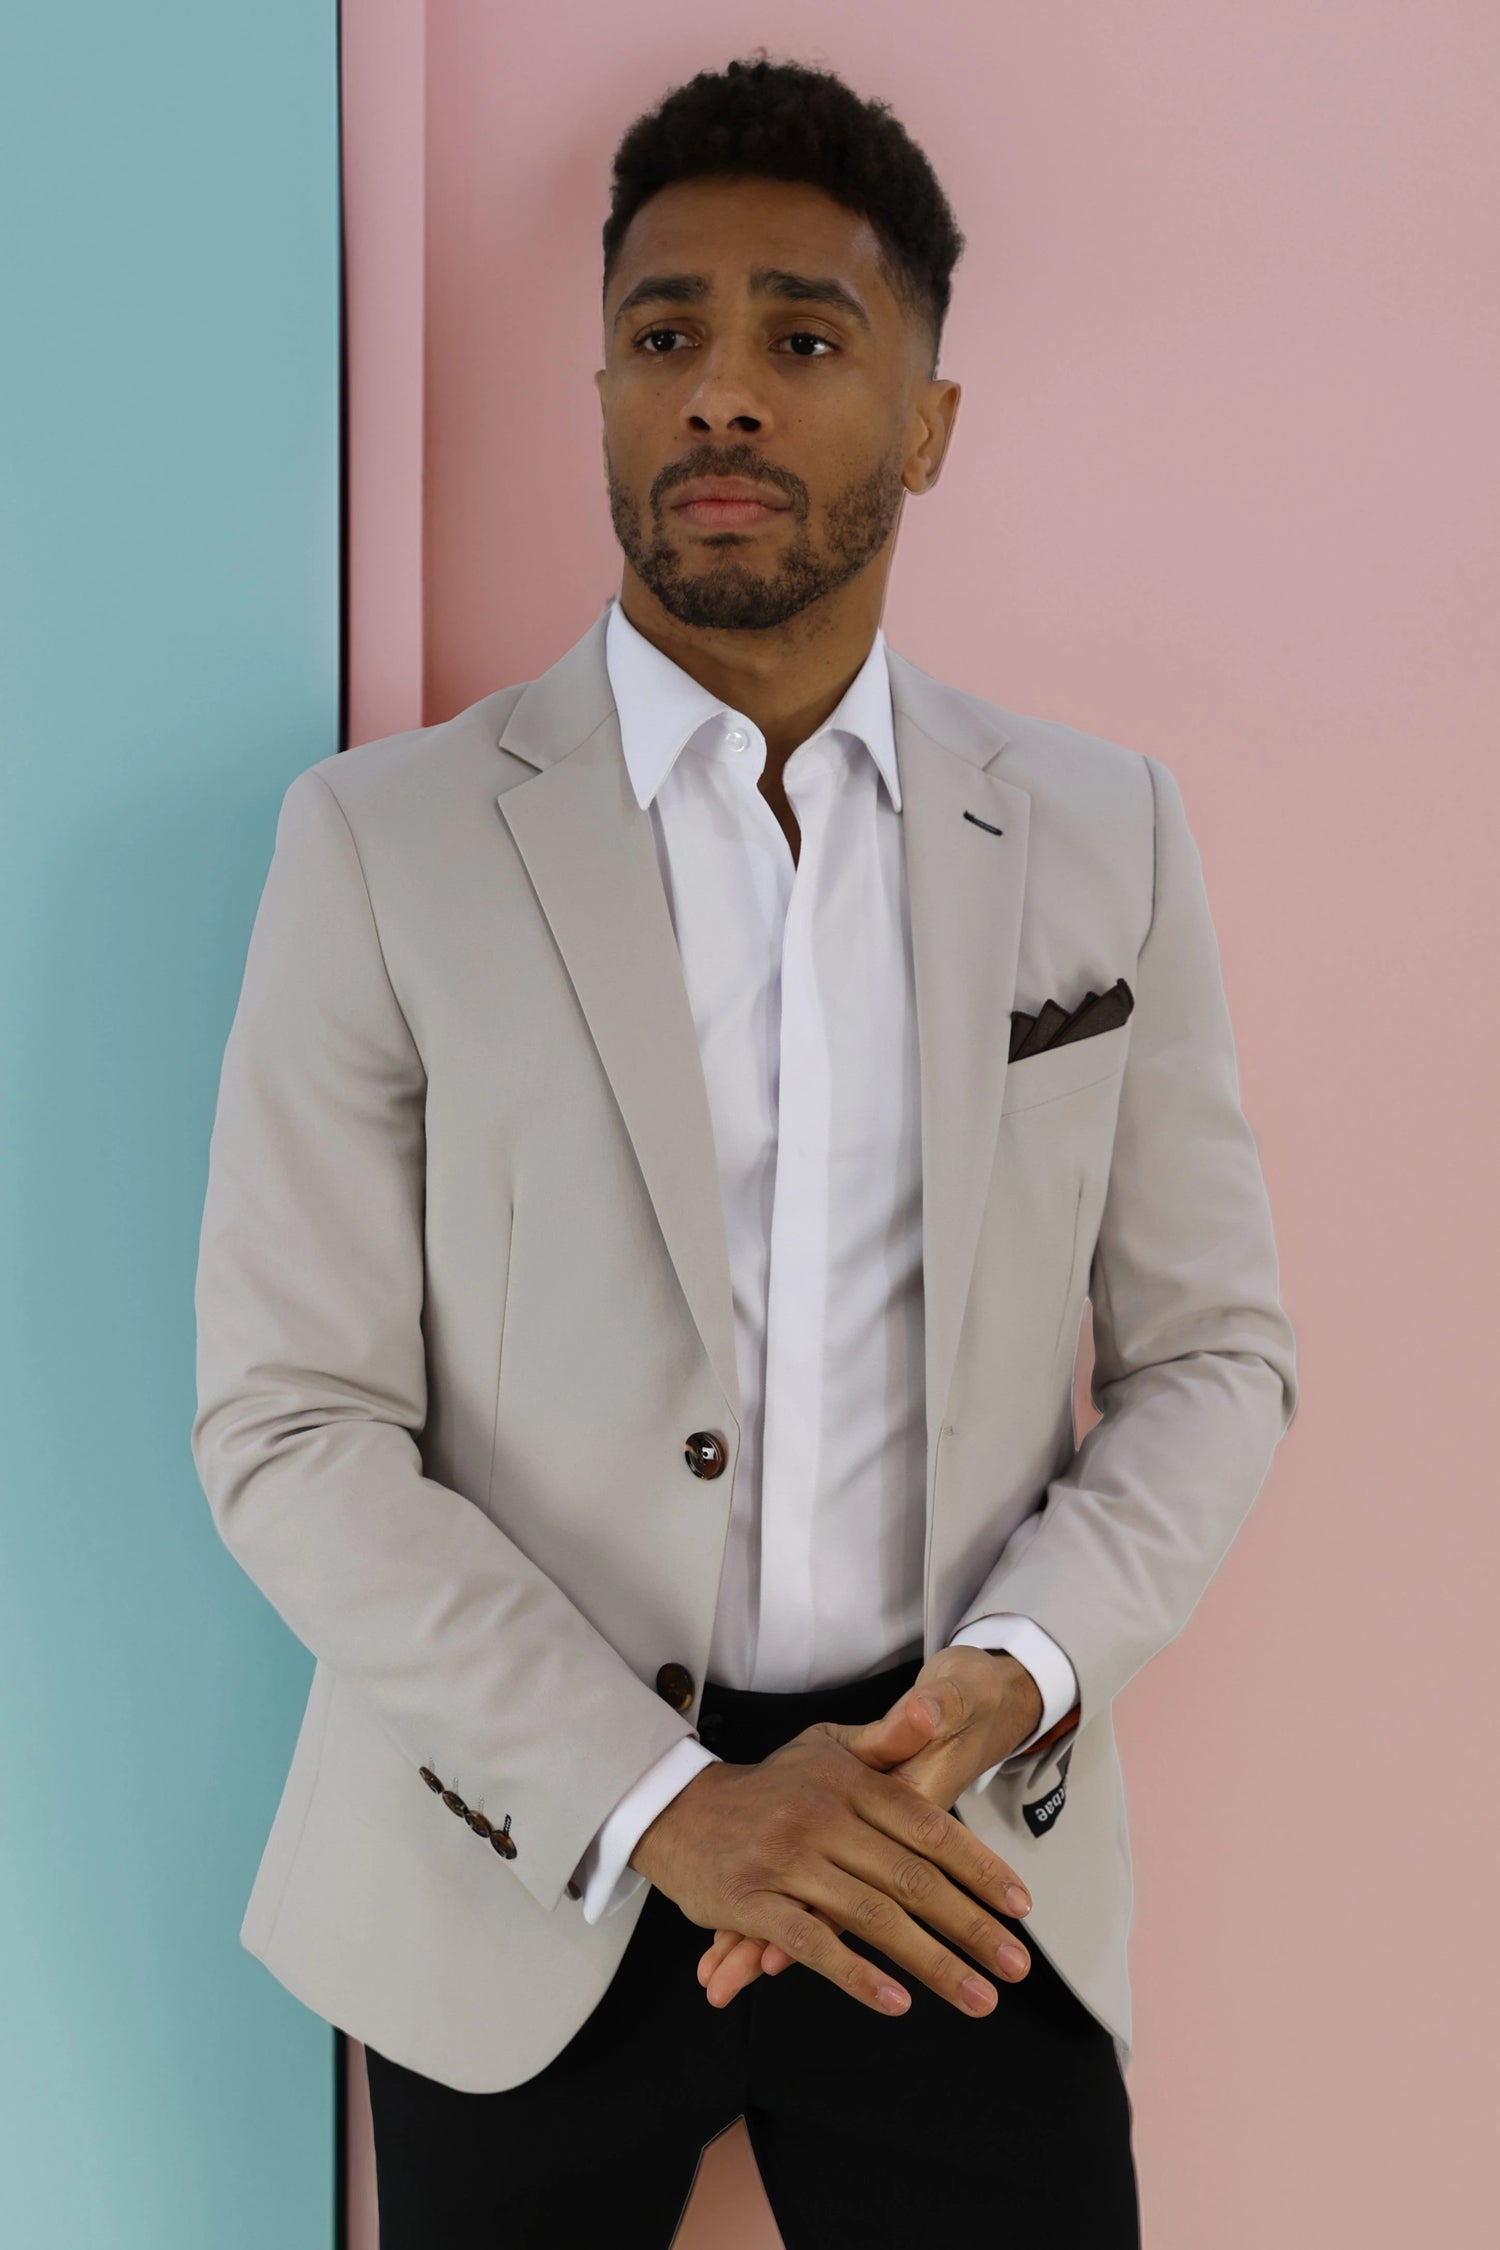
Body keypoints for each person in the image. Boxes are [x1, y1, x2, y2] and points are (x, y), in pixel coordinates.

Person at [191, 51, 1298, 2250]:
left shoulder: (1104, 840)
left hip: (951, 1842)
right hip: (518, 1850)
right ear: (601, 390)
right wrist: (665, 1801)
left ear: (929, 420)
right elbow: (291, 1424)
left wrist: (1020, 1676)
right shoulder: (381, 847)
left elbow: (1216, 1356)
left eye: (804, 337)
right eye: (665, 335)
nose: (723, 395)